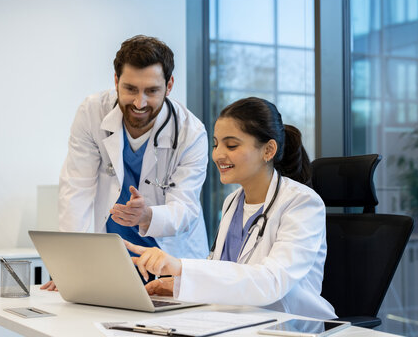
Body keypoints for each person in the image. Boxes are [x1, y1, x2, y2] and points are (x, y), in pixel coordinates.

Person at [125, 97, 336, 319]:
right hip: (238, 321)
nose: (217, 155)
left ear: (268, 150)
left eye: (231, 145)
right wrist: (178, 285)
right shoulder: (233, 202)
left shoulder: (302, 204)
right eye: (216, 144)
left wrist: (181, 268)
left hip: (291, 326)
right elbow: (224, 274)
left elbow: (271, 282)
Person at [42, 35, 209, 290]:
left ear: (169, 85)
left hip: (169, 259)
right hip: (113, 257)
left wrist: (147, 215)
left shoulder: (191, 133)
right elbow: (76, 191)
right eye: (130, 89)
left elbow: (185, 208)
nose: (139, 103)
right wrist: (69, 265)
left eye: (152, 91)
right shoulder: (92, 113)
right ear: (116, 81)